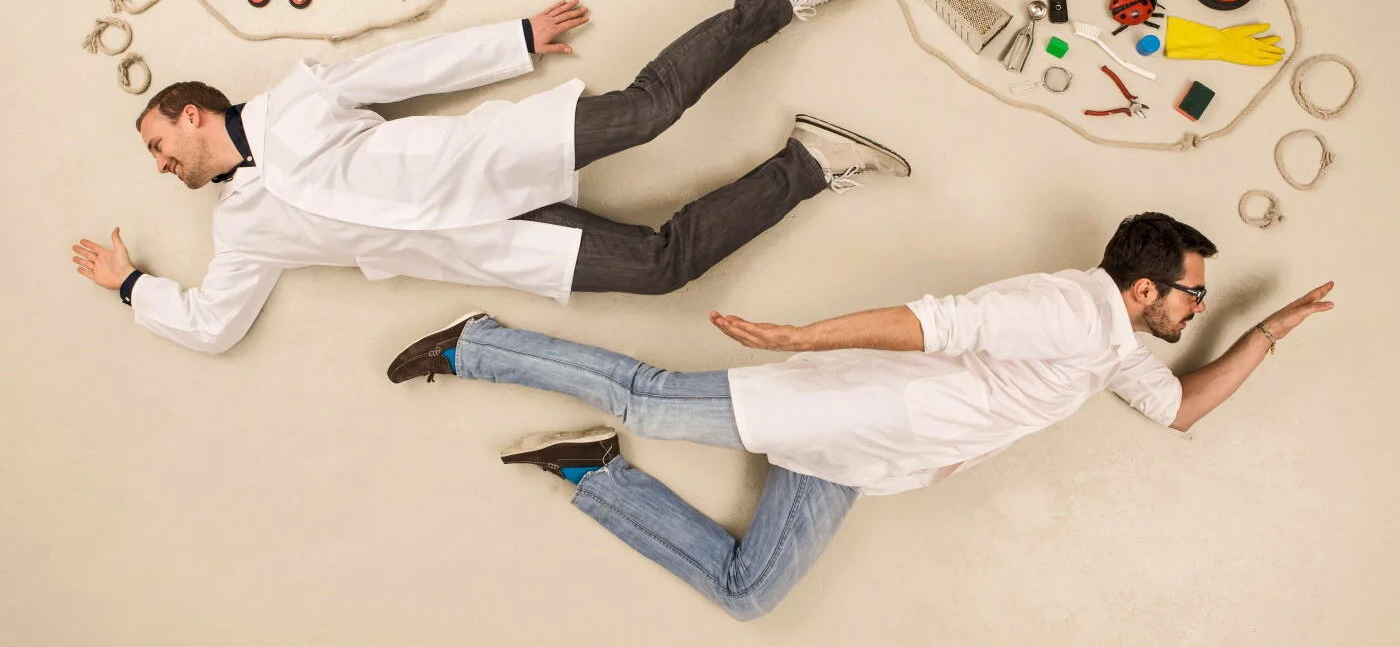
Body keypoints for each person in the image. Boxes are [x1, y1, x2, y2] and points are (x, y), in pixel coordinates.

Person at [386, 213, 1334, 620]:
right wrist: (799, 340)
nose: (1197, 309)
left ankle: (594, 471)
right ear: (1145, 287)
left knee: (751, 592)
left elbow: (1177, 407)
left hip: (863, 456)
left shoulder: (1113, 344)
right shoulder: (1065, 308)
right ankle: (478, 343)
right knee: (648, 396)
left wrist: (1269, 333)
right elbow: (936, 322)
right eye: (1194, 294)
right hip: (844, 407)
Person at [69, 0, 911, 354]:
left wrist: (515, 41)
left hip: (488, 159)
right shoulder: (242, 230)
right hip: (491, 243)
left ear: (190, 113)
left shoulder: (294, 99)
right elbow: (214, 325)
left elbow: (401, 70)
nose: (160, 164)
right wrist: (133, 286)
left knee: (650, 112)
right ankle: (807, 163)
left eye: (157, 144)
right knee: (661, 268)